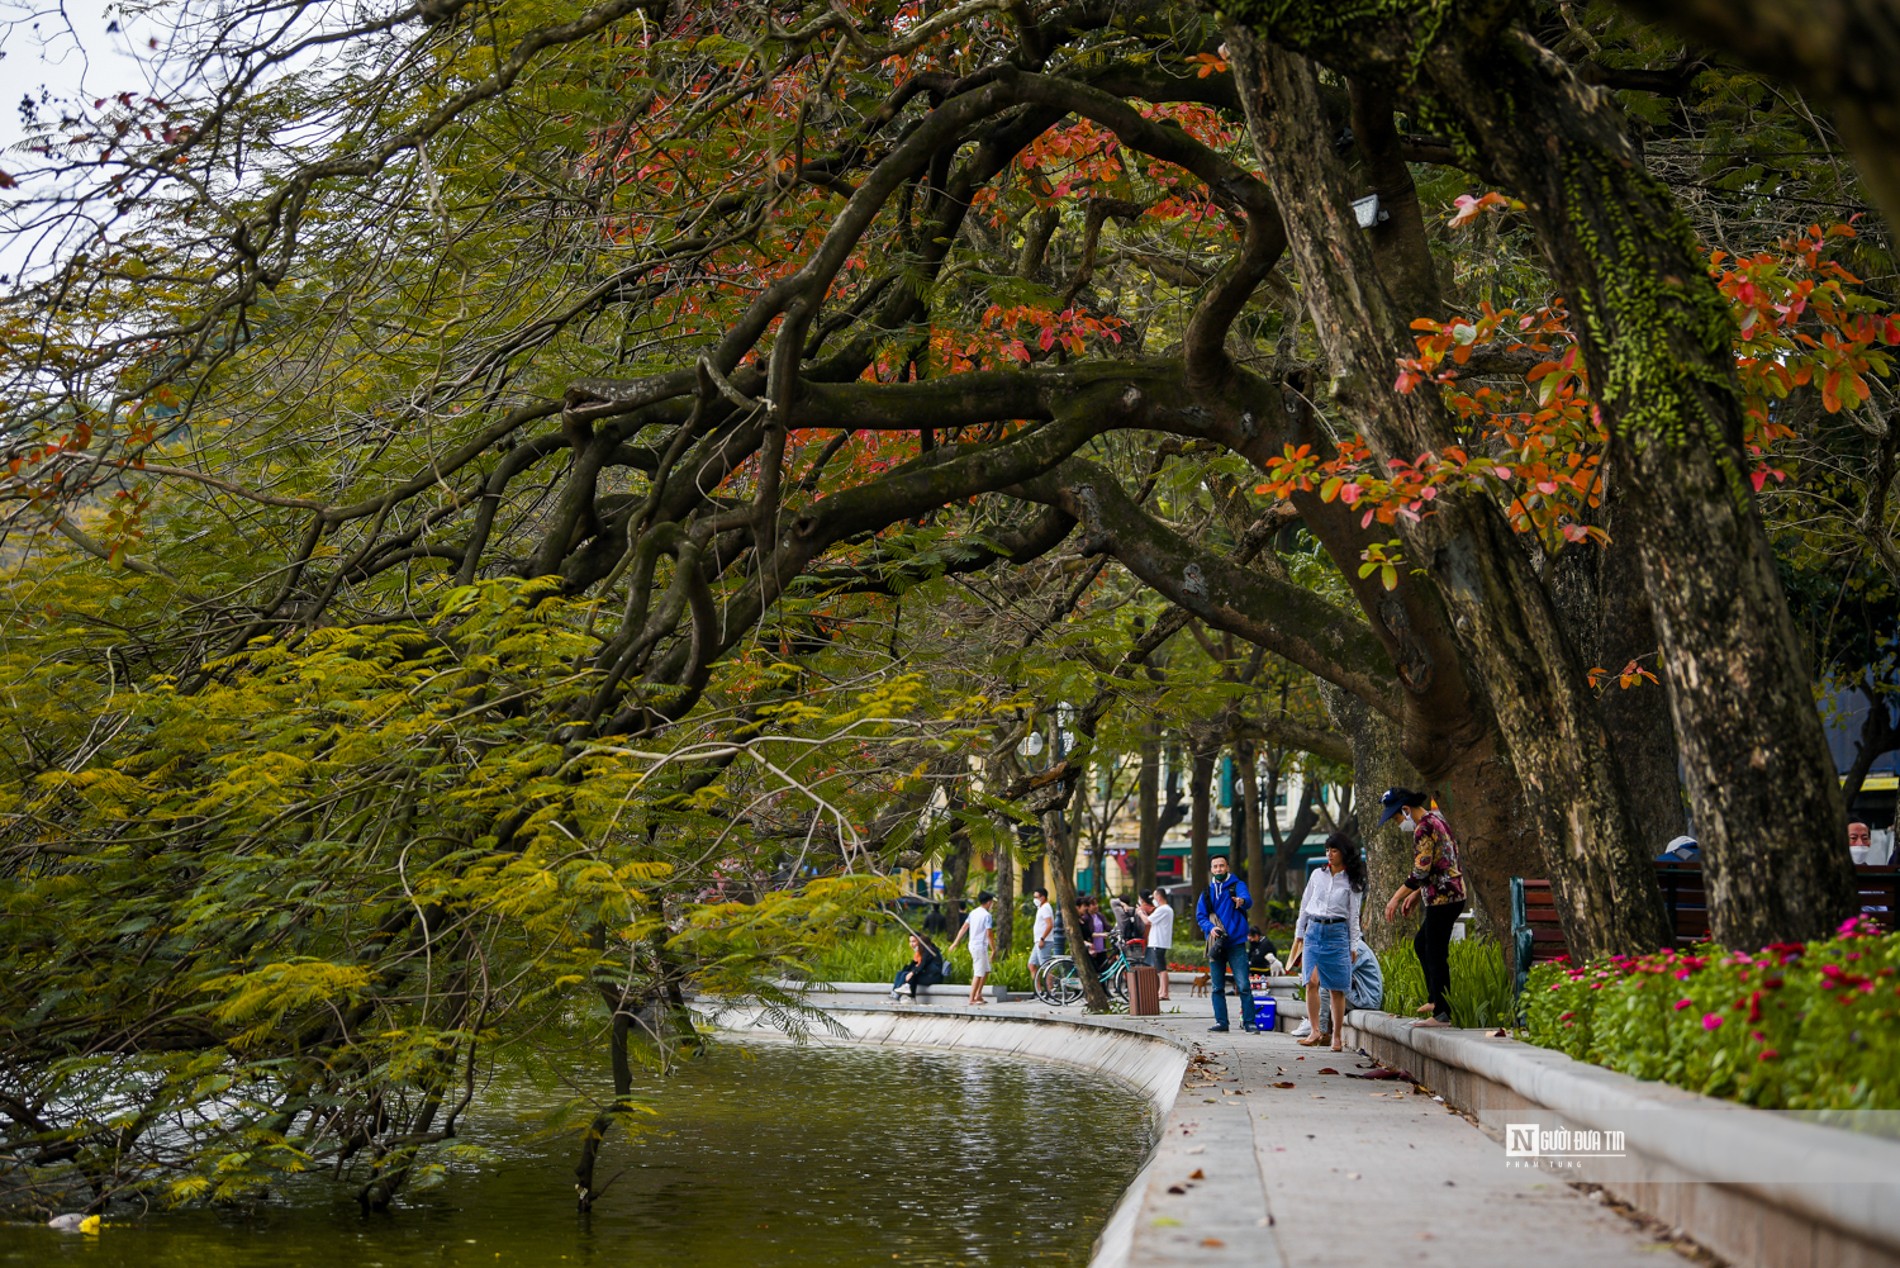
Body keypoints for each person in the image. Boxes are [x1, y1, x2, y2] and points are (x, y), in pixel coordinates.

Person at [1380, 788, 1467, 1026]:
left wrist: (1395, 898)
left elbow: (1420, 870)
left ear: (1406, 810)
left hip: (1444, 898)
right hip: (1448, 894)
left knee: (1436, 952)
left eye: (1396, 818)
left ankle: (1442, 1013)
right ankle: (1435, 999)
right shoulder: (1436, 820)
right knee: (1423, 944)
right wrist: (1417, 894)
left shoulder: (1423, 828)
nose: (1397, 823)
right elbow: (1440, 862)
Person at [1288, 833, 1365, 1052]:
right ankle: (1315, 1030)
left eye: (1334, 850)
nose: (1329, 855)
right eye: (1327, 850)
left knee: (1336, 987)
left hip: (1337, 932)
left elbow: (1354, 915)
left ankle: (1337, 1036)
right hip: (1313, 930)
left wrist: (1353, 945)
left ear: (1343, 853)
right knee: (1311, 982)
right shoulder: (1317, 875)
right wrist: (1299, 933)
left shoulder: (1352, 881)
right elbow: (1305, 904)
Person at [1195, 854, 1259, 1034]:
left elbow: (1248, 900)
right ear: (1211, 869)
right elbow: (1200, 916)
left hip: (1236, 943)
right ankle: (1221, 1022)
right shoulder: (1207, 892)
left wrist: (1241, 901)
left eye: (1221, 866)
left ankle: (1249, 1022)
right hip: (1216, 943)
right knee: (1217, 987)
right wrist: (1210, 928)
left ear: (1227, 867)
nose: (1218, 869)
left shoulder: (1237, 885)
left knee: (1244, 985)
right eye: (1215, 867)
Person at [1308, 934, 1384, 1039]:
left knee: (1326, 987)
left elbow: (1338, 977)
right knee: (1326, 986)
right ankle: (1321, 1029)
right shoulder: (1352, 946)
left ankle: (1322, 1032)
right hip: (1360, 995)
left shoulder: (1356, 949)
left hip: (1366, 1000)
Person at [947, 890, 996, 1006]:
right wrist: (993, 949)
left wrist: (955, 943)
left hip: (975, 945)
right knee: (979, 972)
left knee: (986, 970)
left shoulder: (973, 913)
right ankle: (971, 998)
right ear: (989, 902)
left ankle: (978, 994)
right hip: (979, 946)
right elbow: (989, 933)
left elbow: (964, 928)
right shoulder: (987, 916)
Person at [889, 933, 945, 1002]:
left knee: (910, 975)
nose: (911, 944)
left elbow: (922, 964)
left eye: (914, 941)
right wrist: (907, 970)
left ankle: (908, 997)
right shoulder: (919, 953)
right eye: (910, 942)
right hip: (926, 974)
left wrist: (912, 973)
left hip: (933, 976)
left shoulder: (930, 951)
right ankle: (894, 994)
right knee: (901, 973)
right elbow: (913, 965)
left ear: (920, 942)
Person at [1143, 889, 1174, 1001]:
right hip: (1160, 941)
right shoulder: (1167, 909)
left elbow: (1147, 921)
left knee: (1161, 968)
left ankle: (1164, 992)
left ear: (1159, 897)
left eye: (1154, 896)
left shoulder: (1163, 909)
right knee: (1160, 967)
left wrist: (1140, 913)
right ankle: (1161, 991)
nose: (1154, 899)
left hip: (1158, 941)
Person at [1028, 887, 1057, 995]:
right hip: (1038, 942)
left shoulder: (1045, 908)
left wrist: (1042, 938)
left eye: (1036, 897)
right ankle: (1039, 991)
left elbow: (1049, 924)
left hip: (1044, 941)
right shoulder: (1041, 908)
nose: (1034, 899)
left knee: (1046, 966)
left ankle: (1051, 990)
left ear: (1043, 897)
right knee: (1031, 964)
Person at [1075, 895, 1111, 975]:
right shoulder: (1085, 919)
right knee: (1095, 971)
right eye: (1093, 904)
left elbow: (1108, 927)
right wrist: (1100, 935)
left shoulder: (1100, 916)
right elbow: (1088, 934)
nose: (1096, 906)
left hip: (1101, 947)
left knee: (1104, 970)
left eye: (1096, 904)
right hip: (1092, 948)